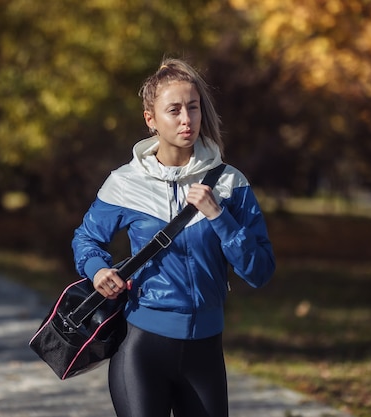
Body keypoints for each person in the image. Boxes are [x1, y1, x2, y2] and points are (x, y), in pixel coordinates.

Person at [71, 58, 276, 417]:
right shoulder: (125, 183)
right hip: (142, 350)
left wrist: (218, 216)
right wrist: (97, 270)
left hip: (205, 351)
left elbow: (260, 270)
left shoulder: (230, 183)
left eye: (193, 108)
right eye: (175, 110)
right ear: (151, 119)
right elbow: (86, 239)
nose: (187, 119)